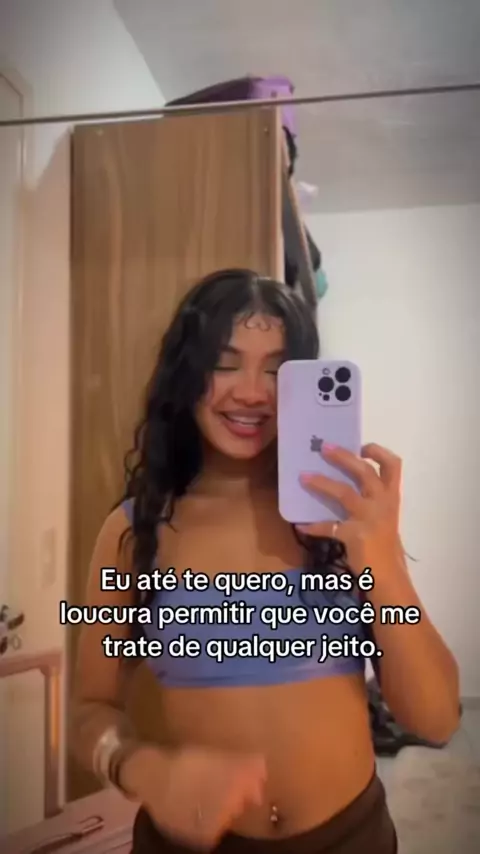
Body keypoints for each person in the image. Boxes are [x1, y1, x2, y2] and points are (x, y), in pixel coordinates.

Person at [72, 269, 460, 854]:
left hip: (351, 840)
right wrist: (143, 767)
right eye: (225, 364)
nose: (253, 393)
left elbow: (436, 718)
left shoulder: (344, 521)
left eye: (278, 370)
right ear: (186, 375)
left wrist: (382, 560)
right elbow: (89, 709)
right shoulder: (134, 531)